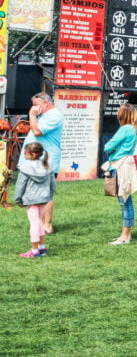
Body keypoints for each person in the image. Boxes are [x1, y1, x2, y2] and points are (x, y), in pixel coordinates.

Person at [19, 93, 64, 235]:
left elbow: (37, 132)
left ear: (45, 103)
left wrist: (31, 115)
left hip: (46, 160)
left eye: (36, 104)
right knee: (34, 192)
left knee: (45, 193)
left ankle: (47, 225)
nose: (34, 108)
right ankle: (38, 223)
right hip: (34, 161)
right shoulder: (42, 116)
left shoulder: (54, 115)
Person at [103, 104, 137, 245]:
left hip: (120, 166)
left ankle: (125, 236)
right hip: (127, 164)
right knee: (126, 200)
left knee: (124, 201)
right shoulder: (132, 129)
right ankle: (126, 234)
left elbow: (108, 146)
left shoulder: (124, 129)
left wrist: (113, 149)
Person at [14, 142, 55, 257]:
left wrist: (18, 200)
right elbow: (53, 183)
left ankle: (34, 250)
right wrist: (50, 195)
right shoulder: (48, 165)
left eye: (25, 152)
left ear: (31, 153)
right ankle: (41, 248)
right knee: (39, 222)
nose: (24, 154)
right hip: (44, 199)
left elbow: (20, 186)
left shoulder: (25, 168)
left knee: (34, 223)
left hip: (31, 200)